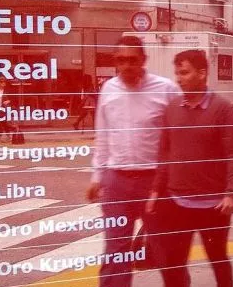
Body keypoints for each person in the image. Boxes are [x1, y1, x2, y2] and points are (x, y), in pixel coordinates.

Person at [85, 36, 180, 287]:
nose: (126, 66)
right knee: (116, 251)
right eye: (120, 60)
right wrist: (97, 177)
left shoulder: (166, 90)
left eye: (132, 60)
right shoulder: (108, 90)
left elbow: (179, 136)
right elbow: (103, 136)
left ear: (143, 60)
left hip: (155, 182)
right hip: (117, 182)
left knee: (166, 248)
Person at [147, 50, 233, 287]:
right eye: (177, 73)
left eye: (184, 73)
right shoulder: (172, 108)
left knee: (218, 259)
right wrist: (156, 190)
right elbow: (165, 152)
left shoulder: (222, 109)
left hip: (213, 206)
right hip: (177, 204)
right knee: (174, 264)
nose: (179, 79)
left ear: (202, 74)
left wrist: (232, 193)